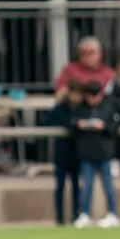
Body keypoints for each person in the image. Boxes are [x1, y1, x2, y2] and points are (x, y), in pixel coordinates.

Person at [71, 80, 120, 229]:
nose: (93, 99)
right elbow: (70, 124)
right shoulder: (80, 109)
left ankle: (112, 214)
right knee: (86, 186)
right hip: (86, 153)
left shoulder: (108, 107)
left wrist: (103, 126)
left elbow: (115, 127)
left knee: (108, 185)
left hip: (104, 153)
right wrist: (79, 125)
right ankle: (84, 214)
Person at [49, 78, 83, 225]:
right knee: (60, 186)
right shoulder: (60, 108)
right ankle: (60, 218)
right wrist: (75, 125)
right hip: (62, 153)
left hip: (78, 152)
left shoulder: (82, 108)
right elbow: (51, 121)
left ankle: (76, 215)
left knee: (76, 186)